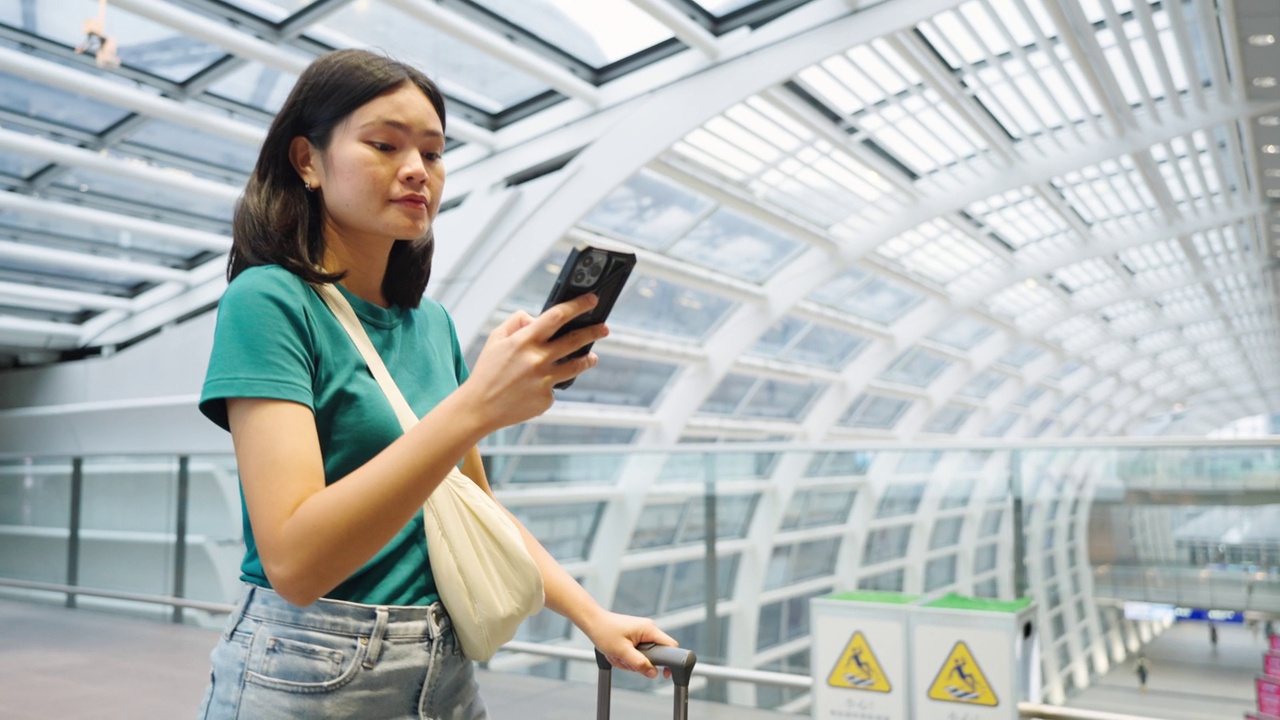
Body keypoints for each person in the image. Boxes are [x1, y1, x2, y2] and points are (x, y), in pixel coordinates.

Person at [196, 48, 675, 719]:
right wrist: (475, 408)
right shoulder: (268, 300)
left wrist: (592, 615)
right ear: (306, 161)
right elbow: (296, 563)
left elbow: (473, 507)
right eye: (384, 145)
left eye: (433, 152)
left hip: (441, 669)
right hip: (311, 670)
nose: (417, 170)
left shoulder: (430, 324)